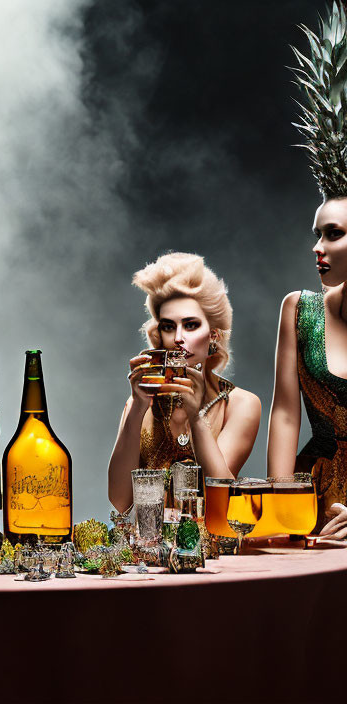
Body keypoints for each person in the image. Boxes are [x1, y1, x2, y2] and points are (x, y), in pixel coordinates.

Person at [268, 4, 347, 538]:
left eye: (334, 234)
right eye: (316, 233)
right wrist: (281, 508)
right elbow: (285, 415)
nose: (317, 247)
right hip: (310, 495)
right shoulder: (299, 310)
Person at [108, 252, 261, 513]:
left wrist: (196, 418)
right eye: (168, 327)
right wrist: (136, 408)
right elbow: (120, 502)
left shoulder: (241, 404)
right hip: (147, 548)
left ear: (213, 335)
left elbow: (221, 497)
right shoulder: (139, 403)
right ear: (159, 335)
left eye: (190, 325)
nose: (179, 338)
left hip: (211, 549)